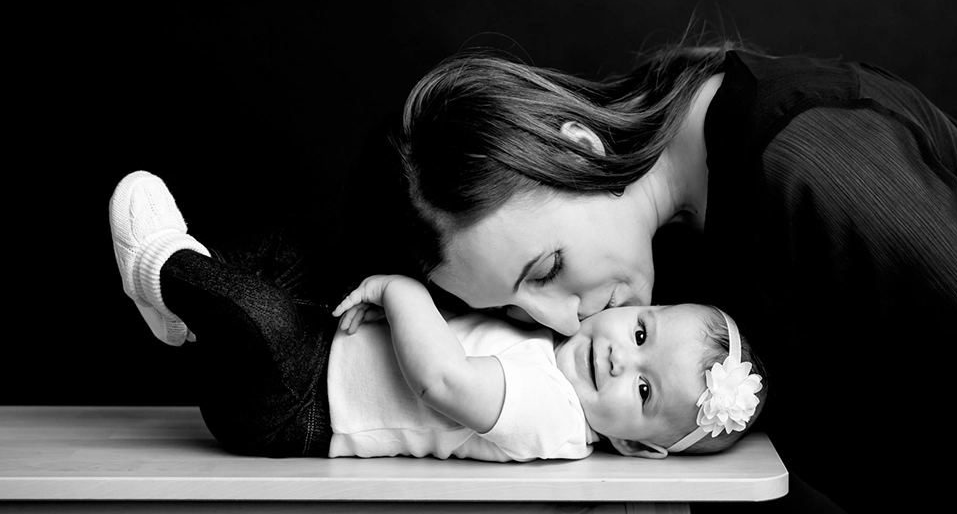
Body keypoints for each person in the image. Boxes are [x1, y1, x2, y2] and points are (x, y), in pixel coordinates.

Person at [393, 37, 957, 512]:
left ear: (577, 148)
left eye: (546, 270)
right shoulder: (664, 247)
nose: (560, 321)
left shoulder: (809, 160)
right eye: (516, 311)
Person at [109, 170, 767, 462]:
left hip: (297, 408)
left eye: (643, 391)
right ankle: (185, 316)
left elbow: (443, 382)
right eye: (643, 334)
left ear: (631, 444)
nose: (622, 357)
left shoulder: (554, 417)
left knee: (263, 318)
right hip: (323, 342)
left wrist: (400, 292)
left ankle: (161, 267)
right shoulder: (561, 348)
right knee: (290, 249)